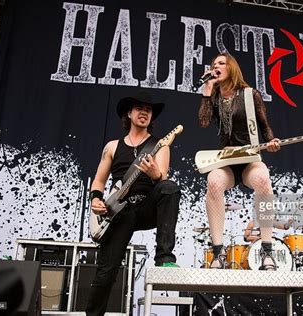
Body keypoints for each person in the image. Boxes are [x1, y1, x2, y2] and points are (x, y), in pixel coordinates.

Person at [86, 90, 181, 316]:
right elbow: (98, 181)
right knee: (106, 273)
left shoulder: (161, 145)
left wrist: (156, 174)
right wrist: (96, 200)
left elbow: (163, 180)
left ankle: (164, 257)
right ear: (129, 113)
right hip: (119, 212)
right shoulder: (111, 146)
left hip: (146, 207)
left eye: (148, 110)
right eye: (140, 108)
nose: (144, 113)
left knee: (170, 187)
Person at [198, 52, 281, 270]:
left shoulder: (250, 94)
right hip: (227, 160)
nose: (216, 66)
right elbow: (204, 122)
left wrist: (271, 142)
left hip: (249, 157)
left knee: (263, 179)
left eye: (221, 63)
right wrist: (207, 91)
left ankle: (267, 251)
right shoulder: (214, 98)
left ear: (231, 68)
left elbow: (264, 125)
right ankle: (218, 253)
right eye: (213, 63)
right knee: (214, 182)